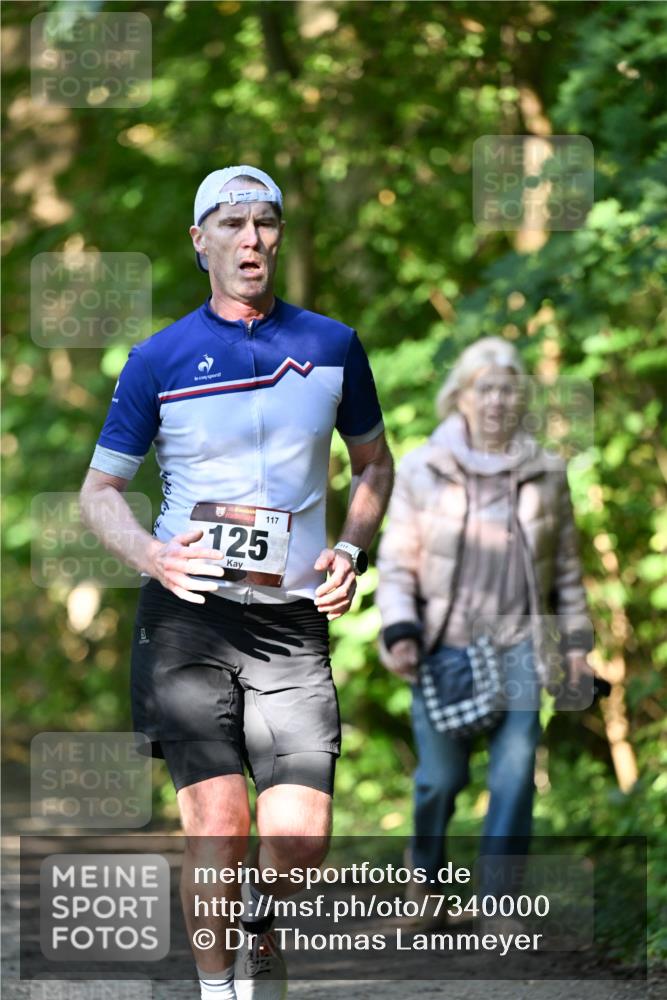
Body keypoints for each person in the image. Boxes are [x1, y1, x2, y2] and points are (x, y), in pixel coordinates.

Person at [80, 165, 393, 1000]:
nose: (250, 239)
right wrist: (151, 555)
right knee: (219, 825)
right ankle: (222, 992)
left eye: (264, 223)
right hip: (189, 618)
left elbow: (371, 464)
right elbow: (98, 492)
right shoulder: (159, 359)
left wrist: (353, 551)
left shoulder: (332, 345)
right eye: (232, 224)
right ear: (200, 241)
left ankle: (258, 924)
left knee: (299, 839)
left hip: (291, 622)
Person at [376, 336, 593, 921]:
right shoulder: (424, 467)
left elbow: (567, 570)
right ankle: (425, 876)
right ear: (461, 397)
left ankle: (498, 902)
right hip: (444, 642)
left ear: (520, 399)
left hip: (522, 641)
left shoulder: (547, 471)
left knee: (516, 772)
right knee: (439, 781)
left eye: (508, 389)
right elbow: (397, 564)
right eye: (485, 388)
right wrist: (399, 631)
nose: (497, 400)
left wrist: (576, 647)